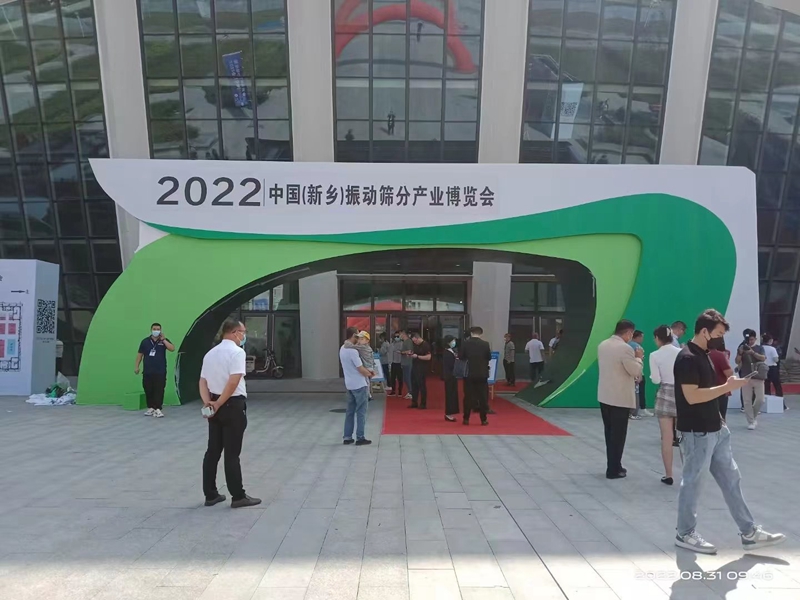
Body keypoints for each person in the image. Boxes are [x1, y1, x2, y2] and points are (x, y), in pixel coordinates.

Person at [673, 309, 784, 554]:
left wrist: (721, 418)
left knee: (732, 480)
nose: (721, 339)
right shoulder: (687, 357)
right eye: (719, 334)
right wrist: (727, 387)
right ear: (705, 331)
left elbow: (707, 391)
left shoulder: (705, 355)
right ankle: (685, 533)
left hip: (716, 430)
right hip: (697, 432)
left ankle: (749, 532)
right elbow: (691, 396)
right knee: (693, 483)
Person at [200, 319, 261, 508]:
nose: (244, 336)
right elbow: (234, 381)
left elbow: (202, 381)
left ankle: (210, 494)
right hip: (232, 404)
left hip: (214, 404)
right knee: (232, 453)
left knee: (213, 451)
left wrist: (208, 403)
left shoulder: (210, 353)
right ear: (235, 332)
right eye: (243, 332)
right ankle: (238, 495)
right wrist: (219, 403)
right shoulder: (237, 352)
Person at [597, 320, 643, 479]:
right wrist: (639, 358)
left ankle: (614, 464)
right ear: (629, 332)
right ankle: (613, 469)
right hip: (620, 397)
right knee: (618, 435)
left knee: (609, 433)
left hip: (605, 395)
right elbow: (634, 370)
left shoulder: (603, 345)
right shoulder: (625, 348)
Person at [649, 325, 681, 485]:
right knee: (685, 437)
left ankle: (669, 475)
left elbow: (656, 380)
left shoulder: (654, 355)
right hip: (682, 394)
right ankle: (688, 474)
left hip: (665, 394)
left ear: (657, 338)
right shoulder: (681, 352)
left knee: (666, 438)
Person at [340, 327, 373, 446]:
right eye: (358, 336)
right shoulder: (353, 352)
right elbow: (361, 369)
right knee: (361, 412)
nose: (359, 338)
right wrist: (371, 373)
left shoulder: (342, 348)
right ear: (354, 335)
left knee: (350, 412)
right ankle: (360, 437)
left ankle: (347, 437)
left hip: (349, 384)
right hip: (359, 384)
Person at [135, 322, 175, 418]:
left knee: (159, 389)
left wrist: (164, 340)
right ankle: (151, 407)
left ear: (160, 330)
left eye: (158, 329)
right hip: (148, 371)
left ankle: (158, 408)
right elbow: (140, 355)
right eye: (154, 329)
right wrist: (136, 366)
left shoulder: (163, 341)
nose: (156, 331)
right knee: (148, 389)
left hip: (160, 371)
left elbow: (172, 348)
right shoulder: (145, 342)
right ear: (151, 330)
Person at [460, 326, 492, 425]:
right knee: (483, 397)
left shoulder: (465, 343)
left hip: (469, 373)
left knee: (468, 397)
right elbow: (489, 357)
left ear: (471, 333)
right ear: (481, 334)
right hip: (482, 374)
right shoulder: (485, 344)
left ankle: (466, 418)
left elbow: (461, 357)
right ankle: (483, 419)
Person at [736, 329, 766, 430]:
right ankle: (751, 421)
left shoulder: (759, 348)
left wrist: (752, 353)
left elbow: (763, 358)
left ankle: (753, 416)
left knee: (760, 399)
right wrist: (740, 353)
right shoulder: (742, 347)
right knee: (747, 401)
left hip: (758, 376)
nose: (750, 341)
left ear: (755, 339)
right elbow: (737, 361)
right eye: (749, 339)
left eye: (752, 339)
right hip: (746, 376)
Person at [708, 337, 733, 421]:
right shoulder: (720, 355)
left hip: (704, 389)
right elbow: (728, 373)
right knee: (721, 416)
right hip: (720, 387)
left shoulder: (700, 354)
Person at [629, 330, 652, 419]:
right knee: (639, 392)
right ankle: (638, 411)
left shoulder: (627, 345)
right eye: (642, 337)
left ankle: (634, 411)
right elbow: (639, 359)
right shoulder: (637, 347)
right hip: (638, 372)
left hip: (630, 372)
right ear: (637, 337)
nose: (642, 339)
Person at [409, 332, 431, 409]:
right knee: (414, 385)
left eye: (415, 341)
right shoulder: (415, 345)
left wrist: (418, 356)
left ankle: (423, 403)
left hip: (422, 368)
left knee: (422, 385)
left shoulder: (425, 345)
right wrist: (411, 354)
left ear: (418, 338)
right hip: (414, 366)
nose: (414, 342)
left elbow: (428, 357)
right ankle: (414, 402)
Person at [442, 334, 460, 422]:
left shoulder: (451, 351)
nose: (454, 342)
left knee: (452, 394)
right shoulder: (447, 353)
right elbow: (450, 365)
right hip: (450, 376)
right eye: (453, 341)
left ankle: (450, 412)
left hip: (451, 375)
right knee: (450, 394)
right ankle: (448, 413)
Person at [762, 333, 783, 399]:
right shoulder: (772, 349)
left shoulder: (761, 348)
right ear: (770, 340)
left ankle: (767, 400)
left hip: (763, 367)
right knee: (777, 384)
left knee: (766, 385)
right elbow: (776, 359)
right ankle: (780, 399)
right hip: (772, 368)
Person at [400, 330, 414, 400]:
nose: (400, 336)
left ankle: (411, 392)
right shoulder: (404, 342)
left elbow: (410, 351)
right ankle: (410, 391)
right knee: (405, 378)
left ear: (404, 334)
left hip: (408, 362)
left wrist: (402, 352)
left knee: (407, 377)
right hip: (404, 362)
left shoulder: (408, 342)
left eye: (401, 334)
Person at [389, 332, 404, 396]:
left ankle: (400, 390)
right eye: (395, 337)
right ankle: (393, 390)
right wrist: (390, 362)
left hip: (400, 363)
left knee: (400, 378)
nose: (396, 338)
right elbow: (390, 353)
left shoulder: (402, 344)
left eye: (397, 336)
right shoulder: (392, 344)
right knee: (392, 378)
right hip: (393, 363)